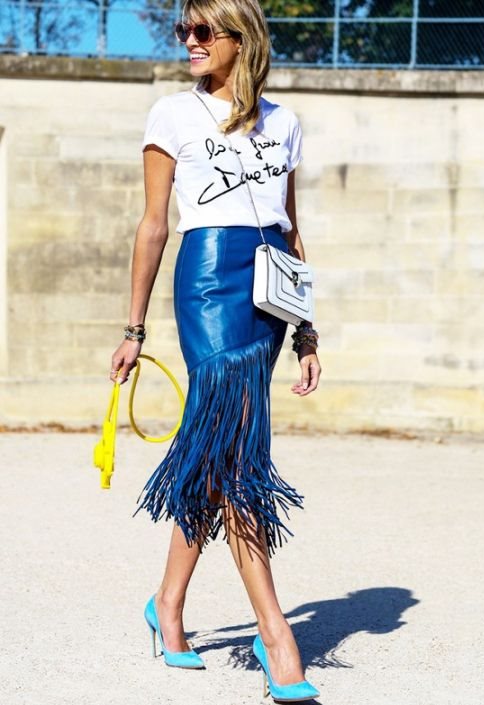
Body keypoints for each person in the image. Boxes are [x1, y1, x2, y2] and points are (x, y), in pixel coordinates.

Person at [109, 0, 321, 700]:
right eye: (185, 30)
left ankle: (166, 604)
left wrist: (305, 331)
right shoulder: (173, 113)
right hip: (207, 280)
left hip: (268, 289)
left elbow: (291, 230)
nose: (189, 41)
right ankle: (275, 634)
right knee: (238, 456)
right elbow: (153, 224)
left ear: (242, 38)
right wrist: (134, 328)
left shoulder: (284, 123)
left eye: (203, 31)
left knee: (218, 452)